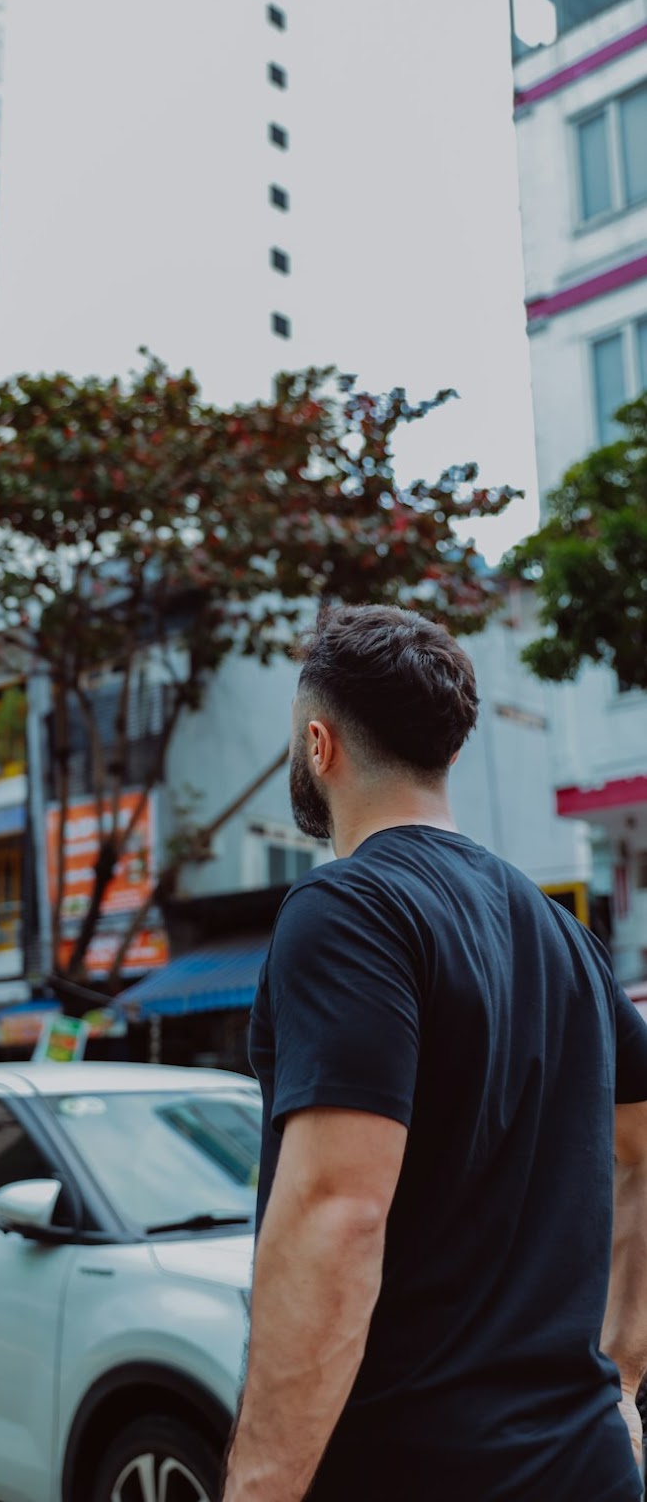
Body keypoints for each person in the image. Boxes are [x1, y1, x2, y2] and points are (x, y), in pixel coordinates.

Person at [224, 604, 647, 1502]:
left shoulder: (344, 909)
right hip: (583, 1469)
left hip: (416, 1469)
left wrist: (257, 1489)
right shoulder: (562, 935)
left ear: (317, 745)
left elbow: (339, 1213)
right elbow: (644, 1153)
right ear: (449, 753)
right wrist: (619, 1373)